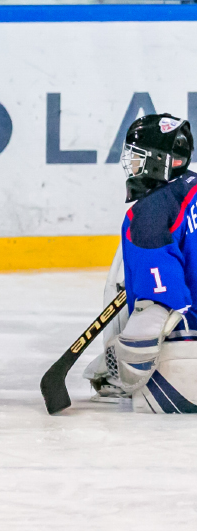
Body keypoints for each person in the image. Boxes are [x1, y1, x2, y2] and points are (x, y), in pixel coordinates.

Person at [85, 114, 197, 412]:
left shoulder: (149, 214)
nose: (131, 164)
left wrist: (124, 362)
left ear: (158, 161)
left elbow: (163, 302)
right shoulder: (191, 188)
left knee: (145, 312)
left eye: (137, 157)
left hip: (190, 353)